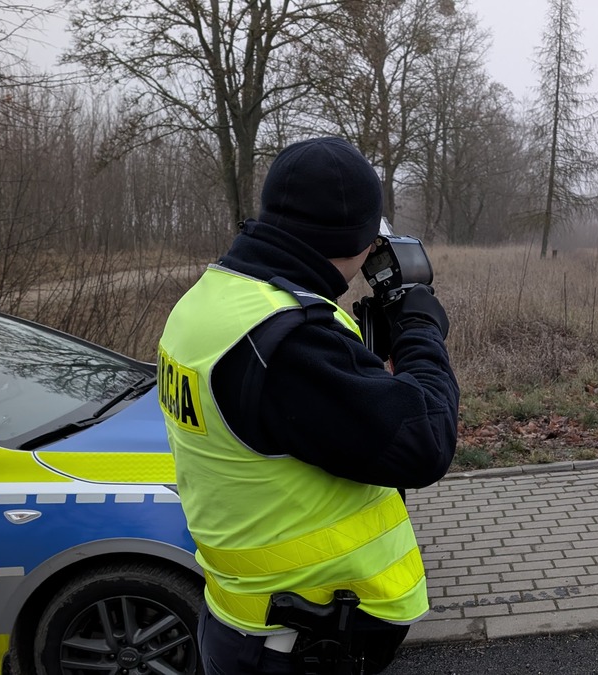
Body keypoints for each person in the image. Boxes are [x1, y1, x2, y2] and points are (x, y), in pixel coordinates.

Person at [157, 136, 460, 674]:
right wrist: (418, 329)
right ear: (361, 239)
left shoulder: (213, 299)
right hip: (297, 638)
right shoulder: (287, 341)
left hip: (241, 616)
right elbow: (425, 442)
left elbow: (302, 422)